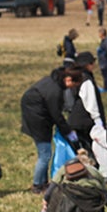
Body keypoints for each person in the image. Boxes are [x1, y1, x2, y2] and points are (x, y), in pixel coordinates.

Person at [20, 62, 69, 194]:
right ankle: (37, 185)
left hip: (36, 117)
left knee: (45, 153)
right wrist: (68, 132)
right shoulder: (54, 91)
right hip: (38, 121)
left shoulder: (52, 83)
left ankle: (43, 183)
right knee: (45, 155)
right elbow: (56, 114)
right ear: (67, 79)